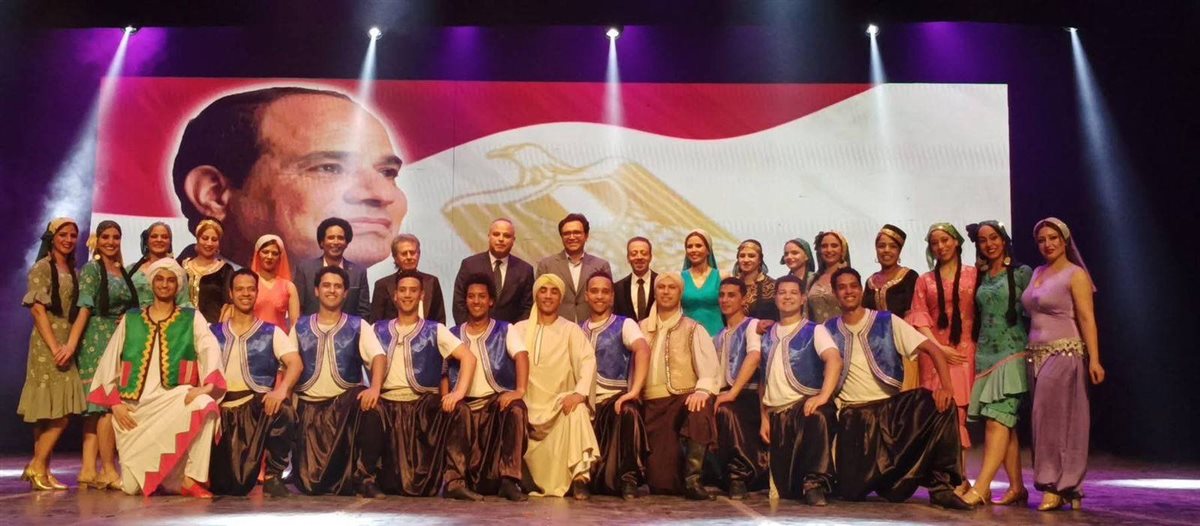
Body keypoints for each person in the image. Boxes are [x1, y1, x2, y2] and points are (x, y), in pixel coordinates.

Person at [172, 86, 407, 268]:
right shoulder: (175, 300)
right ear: (214, 195)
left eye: (388, 172)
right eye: (330, 168)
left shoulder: (383, 304)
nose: (383, 194)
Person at [826, 267, 972, 510]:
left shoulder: (886, 321)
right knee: (850, 492)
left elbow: (933, 350)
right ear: (834, 293)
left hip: (891, 412)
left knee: (941, 405)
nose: (848, 291)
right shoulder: (827, 329)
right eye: (842, 287)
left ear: (861, 289)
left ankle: (941, 488)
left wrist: (946, 388)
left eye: (853, 286)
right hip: (855, 417)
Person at [86, 258, 226, 497]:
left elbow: (209, 348)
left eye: (170, 280)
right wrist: (116, 404)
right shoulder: (131, 318)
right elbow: (109, 361)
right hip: (135, 408)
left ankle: (192, 478)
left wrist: (207, 387)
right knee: (132, 488)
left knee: (206, 405)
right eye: (159, 279)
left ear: (178, 286)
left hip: (172, 399)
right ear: (151, 284)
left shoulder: (191, 318)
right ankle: (171, 479)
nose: (164, 284)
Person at [373, 271, 481, 500]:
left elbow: (468, 358)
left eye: (413, 290)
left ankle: (454, 482)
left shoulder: (435, 329)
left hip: (423, 408)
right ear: (394, 295)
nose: (407, 295)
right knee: (362, 408)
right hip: (388, 406)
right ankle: (366, 480)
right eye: (403, 290)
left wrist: (458, 393)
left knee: (459, 411)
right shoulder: (376, 329)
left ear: (421, 295)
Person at [1021, 217, 1104, 511]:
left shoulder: (1075, 274)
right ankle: (1069, 487)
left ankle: (1057, 485)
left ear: (1065, 240)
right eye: (1042, 240)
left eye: (1053, 238)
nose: (1048, 244)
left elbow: (1086, 318)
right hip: (1035, 355)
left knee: (1053, 421)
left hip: (1065, 352)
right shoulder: (1038, 272)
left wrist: (1095, 359)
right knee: (1043, 421)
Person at [291, 266, 389, 497]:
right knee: (311, 485)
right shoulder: (300, 326)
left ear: (345, 293)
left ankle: (365, 478)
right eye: (326, 285)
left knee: (373, 409)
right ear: (316, 291)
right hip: (310, 411)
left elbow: (379, 356)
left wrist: (375, 388)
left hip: (345, 409)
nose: (332, 290)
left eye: (338, 286)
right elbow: (288, 364)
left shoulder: (358, 325)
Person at [208, 269, 301, 497]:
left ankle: (273, 476)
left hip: (256, 410)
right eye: (240, 289)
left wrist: (281, 391)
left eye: (251, 289)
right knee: (229, 485)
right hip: (221, 411)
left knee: (284, 410)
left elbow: (295, 364)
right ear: (231, 293)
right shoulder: (212, 332)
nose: (246, 294)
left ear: (257, 294)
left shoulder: (271, 332)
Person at [961, 221, 1031, 506]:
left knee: (996, 421)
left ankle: (981, 487)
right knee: (1005, 425)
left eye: (993, 238)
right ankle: (1017, 487)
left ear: (1003, 240)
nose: (989, 244)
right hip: (985, 356)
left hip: (1012, 353)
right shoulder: (980, 275)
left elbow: (1040, 305)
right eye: (983, 240)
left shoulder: (1021, 273)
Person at [758, 275, 842, 506]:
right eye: (782, 292)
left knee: (818, 415)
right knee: (786, 488)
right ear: (775, 298)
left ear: (803, 298)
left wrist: (823, 396)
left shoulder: (815, 330)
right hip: (777, 415)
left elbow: (834, 360)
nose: (787, 297)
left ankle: (815, 484)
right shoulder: (767, 336)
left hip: (803, 408)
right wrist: (763, 416)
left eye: (793, 292)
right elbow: (763, 380)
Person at [515, 273, 600, 498]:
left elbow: (588, 361)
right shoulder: (520, 329)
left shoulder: (571, 329)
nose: (548, 296)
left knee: (577, 409)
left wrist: (580, 393)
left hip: (558, 404)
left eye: (554, 292)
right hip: (527, 404)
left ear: (561, 298)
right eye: (543, 291)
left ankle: (580, 478)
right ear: (536, 295)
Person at [67, 220, 137, 490]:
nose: (111, 242)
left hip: (118, 340)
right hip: (96, 339)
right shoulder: (92, 269)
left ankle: (88, 470)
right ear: (97, 240)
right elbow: (84, 308)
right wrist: (72, 345)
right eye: (105, 236)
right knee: (102, 405)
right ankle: (106, 469)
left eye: (115, 237)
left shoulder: (121, 270)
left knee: (99, 408)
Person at [447, 274, 530, 501]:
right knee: (456, 411)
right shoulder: (453, 333)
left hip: (494, 404)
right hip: (464, 404)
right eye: (471, 296)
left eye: (482, 296)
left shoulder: (505, 329)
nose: (476, 301)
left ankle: (509, 481)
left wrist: (519, 390)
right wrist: (446, 397)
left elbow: (521, 356)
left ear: (491, 301)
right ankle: (455, 483)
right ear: (465, 300)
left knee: (516, 408)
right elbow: (444, 371)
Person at [18, 218, 86, 491]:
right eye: (63, 234)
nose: (68, 240)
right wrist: (55, 346)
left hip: (66, 342)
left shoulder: (73, 270)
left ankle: (42, 470)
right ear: (52, 237)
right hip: (47, 345)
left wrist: (68, 344)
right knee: (53, 411)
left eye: (72, 235)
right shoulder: (42, 267)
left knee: (56, 409)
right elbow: (37, 310)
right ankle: (38, 466)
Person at [639, 272, 720, 500]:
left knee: (699, 408)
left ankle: (693, 479)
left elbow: (709, 368)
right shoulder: (641, 328)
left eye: (671, 287)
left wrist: (701, 390)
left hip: (681, 400)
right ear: (655, 292)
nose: (666, 291)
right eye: (661, 287)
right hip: (651, 405)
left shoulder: (693, 328)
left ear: (680, 293)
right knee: (662, 484)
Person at [906, 223, 977, 451]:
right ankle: (940, 470)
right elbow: (919, 317)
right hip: (933, 354)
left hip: (963, 352)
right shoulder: (924, 280)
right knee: (936, 414)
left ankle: (959, 471)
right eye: (934, 243)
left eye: (945, 240)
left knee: (958, 415)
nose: (940, 246)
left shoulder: (974, 275)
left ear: (956, 241)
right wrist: (938, 348)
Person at [580, 271, 650, 500]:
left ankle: (628, 479)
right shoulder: (578, 329)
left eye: (605, 292)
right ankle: (580, 479)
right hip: (585, 403)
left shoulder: (625, 324)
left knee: (628, 410)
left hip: (613, 399)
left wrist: (634, 391)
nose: (599, 296)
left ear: (612, 297)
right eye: (594, 291)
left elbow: (642, 349)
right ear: (586, 295)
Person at [711, 278, 767, 499]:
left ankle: (739, 475)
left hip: (749, 394)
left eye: (731, 295)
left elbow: (754, 356)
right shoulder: (719, 335)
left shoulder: (752, 325)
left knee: (727, 410)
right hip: (724, 393)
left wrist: (732, 392)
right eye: (722, 295)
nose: (725, 300)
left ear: (744, 299)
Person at [452, 218, 535, 324]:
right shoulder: (470, 265)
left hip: (511, 332)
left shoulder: (525, 270)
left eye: (506, 236)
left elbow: (527, 309)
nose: (501, 239)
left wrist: (514, 332)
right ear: (489, 237)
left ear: (513, 240)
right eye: (496, 234)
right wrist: (469, 330)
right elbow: (459, 303)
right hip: (472, 331)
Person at [536, 213, 612, 323]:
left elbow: (609, 302)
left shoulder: (601, 265)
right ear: (562, 237)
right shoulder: (546, 265)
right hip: (557, 327)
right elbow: (538, 301)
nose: (572, 237)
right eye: (567, 233)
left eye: (576, 232)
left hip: (592, 327)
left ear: (586, 236)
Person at [292, 217, 371, 317]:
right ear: (321, 242)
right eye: (331, 237)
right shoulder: (305, 269)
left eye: (340, 238)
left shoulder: (358, 272)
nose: (336, 242)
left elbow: (364, 312)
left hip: (349, 327)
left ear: (346, 243)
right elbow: (297, 308)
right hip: (310, 326)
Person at [370, 234, 446, 324]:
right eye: (404, 254)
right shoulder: (382, 285)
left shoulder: (432, 282)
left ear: (419, 254)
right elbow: (375, 323)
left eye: (412, 253)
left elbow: (440, 319)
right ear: (395, 257)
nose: (409, 257)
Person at [180, 218, 235, 323]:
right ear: (197, 239)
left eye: (214, 239)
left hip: (212, 328)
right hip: (182, 327)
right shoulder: (182, 266)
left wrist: (219, 329)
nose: (209, 243)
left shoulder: (226, 270)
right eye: (205, 238)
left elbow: (229, 305)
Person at [128, 222, 190, 308]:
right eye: (154, 236)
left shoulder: (177, 271)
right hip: (134, 316)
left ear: (170, 242)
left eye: (164, 237)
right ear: (147, 241)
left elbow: (183, 303)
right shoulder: (131, 270)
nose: (159, 240)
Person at [863, 224, 918, 318]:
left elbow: (914, 314)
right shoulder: (870, 282)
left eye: (893, 246)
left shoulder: (910, 277)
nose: (886, 250)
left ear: (899, 251)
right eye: (881, 246)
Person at [250, 234, 300, 333]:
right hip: (253, 339)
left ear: (280, 257)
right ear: (258, 254)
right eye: (265, 252)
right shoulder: (249, 283)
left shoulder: (288, 286)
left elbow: (295, 323)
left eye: (274, 253)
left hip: (280, 340)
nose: (269, 257)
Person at [681, 230, 724, 335]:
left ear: (708, 250)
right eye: (689, 246)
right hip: (688, 336)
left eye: (698, 246)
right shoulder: (680, 278)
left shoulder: (722, 276)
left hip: (716, 336)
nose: (693, 250)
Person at [806, 232, 850, 323]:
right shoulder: (812, 280)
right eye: (824, 246)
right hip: (817, 331)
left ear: (842, 250)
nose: (829, 250)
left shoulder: (849, 277)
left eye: (834, 246)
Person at [732, 239, 778, 322]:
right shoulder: (731, 285)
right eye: (742, 256)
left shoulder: (773, 286)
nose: (746, 260)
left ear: (760, 259)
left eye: (751, 256)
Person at [613, 236, 657, 321]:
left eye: (644, 253)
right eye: (634, 254)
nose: (639, 257)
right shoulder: (618, 288)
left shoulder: (661, 284)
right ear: (628, 258)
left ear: (650, 257)